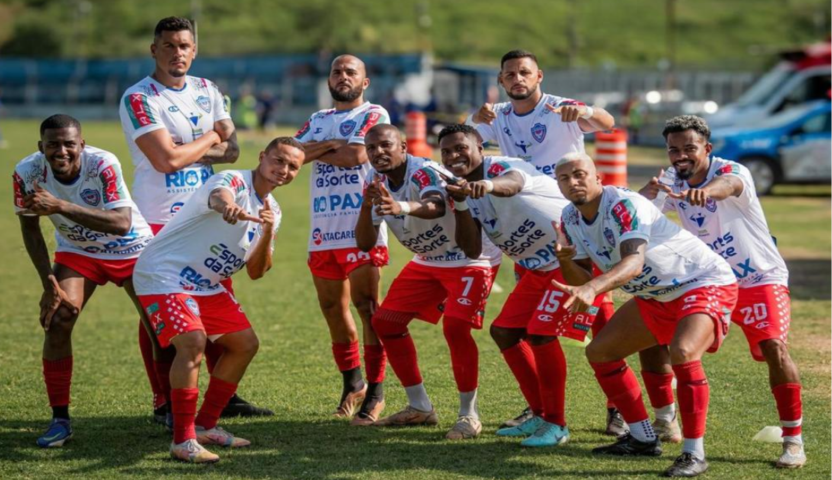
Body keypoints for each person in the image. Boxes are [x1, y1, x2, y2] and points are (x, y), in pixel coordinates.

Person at [119, 16, 270, 424]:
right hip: (159, 218)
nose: (177, 53)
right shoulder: (138, 97)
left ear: (194, 49)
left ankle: (225, 393)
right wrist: (208, 140)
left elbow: (235, 150)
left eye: (184, 46)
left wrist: (191, 148)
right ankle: (164, 401)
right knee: (161, 317)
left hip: (211, 215)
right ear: (154, 50)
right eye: (168, 46)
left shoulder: (208, 90)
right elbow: (165, 160)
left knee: (217, 308)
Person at [466, 49, 623, 433]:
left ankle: (617, 406)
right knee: (527, 325)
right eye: (510, 74)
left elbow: (608, 122)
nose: (517, 78)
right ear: (501, 81)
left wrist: (583, 113)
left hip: (574, 226)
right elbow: (464, 143)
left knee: (600, 316)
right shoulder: (499, 115)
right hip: (529, 230)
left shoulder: (558, 108)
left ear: (540, 77)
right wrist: (474, 119)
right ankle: (540, 408)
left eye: (525, 72)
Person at [554, 152, 738, 477]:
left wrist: (593, 286)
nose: (573, 182)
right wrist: (567, 260)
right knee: (601, 352)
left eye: (580, 174)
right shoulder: (569, 217)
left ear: (599, 178)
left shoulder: (624, 204)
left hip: (701, 282)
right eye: (565, 178)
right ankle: (642, 437)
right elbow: (580, 281)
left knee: (682, 352)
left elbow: (633, 263)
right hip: (654, 296)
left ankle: (694, 454)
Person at [637, 115, 806, 469]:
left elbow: (729, 185)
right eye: (673, 150)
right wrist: (644, 196)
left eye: (689, 149)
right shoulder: (670, 177)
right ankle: (666, 420)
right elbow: (641, 217)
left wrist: (706, 191)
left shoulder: (733, 169)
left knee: (774, 348)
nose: (680, 156)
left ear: (707, 149)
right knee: (654, 335)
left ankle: (793, 441)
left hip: (758, 278)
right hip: (707, 280)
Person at [133, 137, 303, 463]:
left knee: (245, 344)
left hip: (205, 284)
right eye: (279, 160)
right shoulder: (233, 180)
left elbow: (257, 271)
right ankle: (183, 440)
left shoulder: (274, 211)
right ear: (263, 156)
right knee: (193, 342)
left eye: (292, 166)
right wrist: (227, 207)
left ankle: (206, 425)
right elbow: (218, 195)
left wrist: (267, 230)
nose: (284, 169)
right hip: (164, 273)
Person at [438, 124, 607, 448]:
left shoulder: (501, 167)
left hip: (574, 260)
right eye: (446, 151)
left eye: (461, 148)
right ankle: (542, 415)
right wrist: (459, 204)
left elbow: (511, 185)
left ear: (480, 149)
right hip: (537, 269)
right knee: (504, 331)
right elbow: (472, 249)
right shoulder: (461, 191)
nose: (454, 155)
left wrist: (485, 186)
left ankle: (562, 424)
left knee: (560, 336)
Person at [14, 114, 154, 448]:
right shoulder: (27, 172)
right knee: (58, 319)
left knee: (159, 329)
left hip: (132, 249)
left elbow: (122, 223)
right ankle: (60, 419)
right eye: (52, 145)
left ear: (82, 144)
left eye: (68, 144)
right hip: (78, 251)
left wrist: (60, 205)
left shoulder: (103, 164)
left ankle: (166, 407)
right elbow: (30, 228)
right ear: (41, 147)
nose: (61, 151)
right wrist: (48, 280)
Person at [354, 124, 497, 438]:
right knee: (386, 323)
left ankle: (469, 415)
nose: (378, 153)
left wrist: (401, 206)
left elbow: (435, 204)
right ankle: (420, 407)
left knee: (456, 327)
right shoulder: (374, 180)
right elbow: (364, 242)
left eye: (385, 145)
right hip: (427, 262)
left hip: (470, 258)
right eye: (371, 148)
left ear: (403, 147)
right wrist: (367, 205)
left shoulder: (424, 171)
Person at [295, 55, 391, 421]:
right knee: (332, 309)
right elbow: (289, 154)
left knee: (368, 309)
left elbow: (356, 154)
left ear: (364, 82)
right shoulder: (318, 120)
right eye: (337, 71)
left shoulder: (373, 114)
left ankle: (377, 390)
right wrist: (330, 144)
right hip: (322, 229)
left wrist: (319, 149)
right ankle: (353, 383)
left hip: (362, 226)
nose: (343, 76)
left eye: (351, 72)